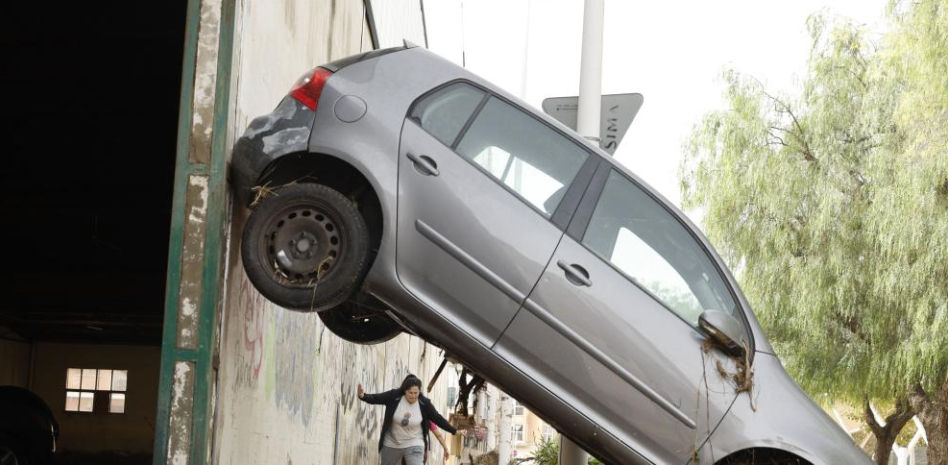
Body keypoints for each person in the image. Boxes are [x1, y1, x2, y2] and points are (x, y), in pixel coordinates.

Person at [358, 374, 458, 465]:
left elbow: (438, 419)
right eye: (410, 393)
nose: (413, 396)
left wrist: (454, 431)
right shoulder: (394, 396)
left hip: (414, 444)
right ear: (404, 390)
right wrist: (363, 396)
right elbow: (377, 398)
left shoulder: (424, 405)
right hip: (393, 443)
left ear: (419, 391)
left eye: (416, 393)